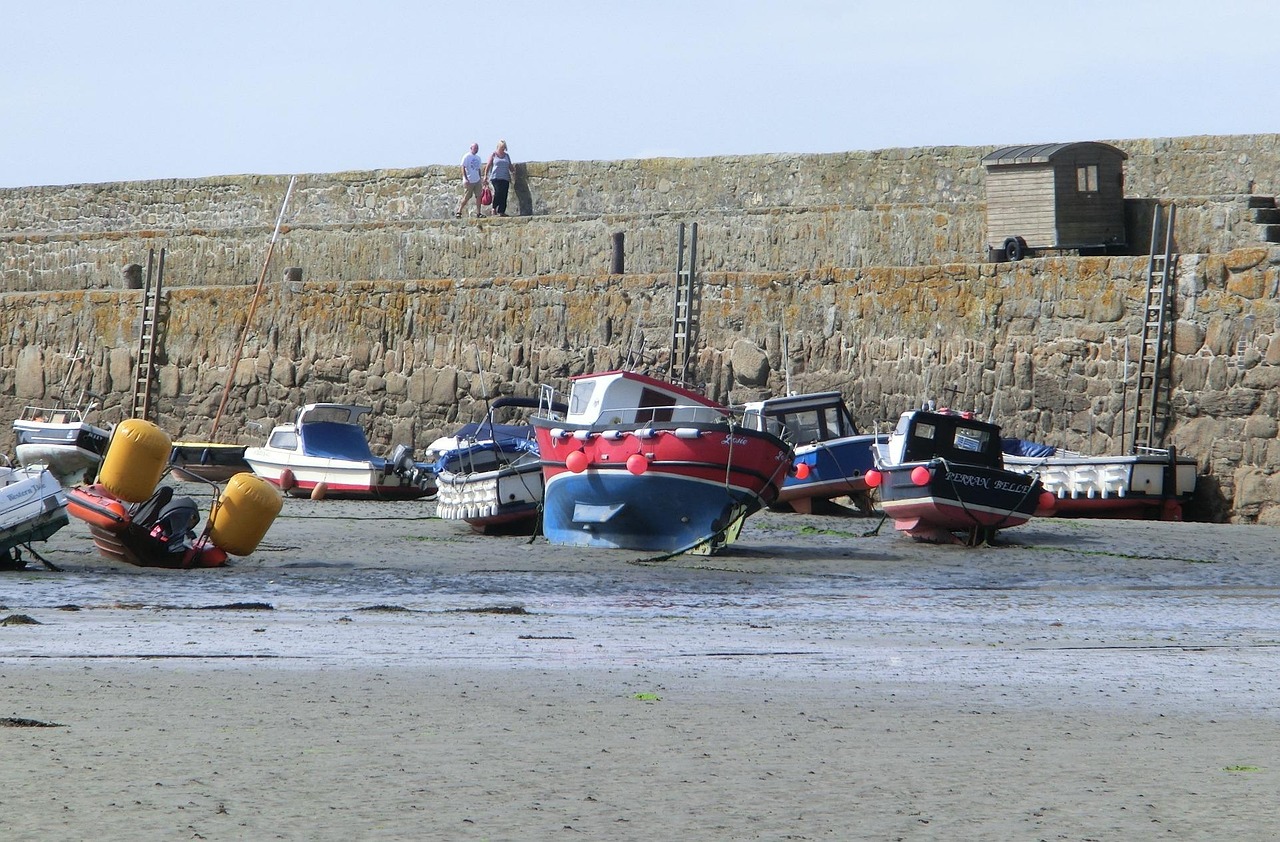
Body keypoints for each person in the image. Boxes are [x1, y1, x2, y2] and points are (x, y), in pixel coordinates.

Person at [484, 140, 514, 217]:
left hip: (505, 177)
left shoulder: (506, 156)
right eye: (501, 147)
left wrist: (514, 171)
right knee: (498, 192)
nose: (503, 149)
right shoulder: (494, 155)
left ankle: (501, 211)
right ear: (498, 147)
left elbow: (510, 166)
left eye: (504, 147)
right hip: (495, 177)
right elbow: (488, 166)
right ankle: (494, 208)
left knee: (504, 194)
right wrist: (485, 176)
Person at [456, 142, 485, 218]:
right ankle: (459, 211)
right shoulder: (467, 157)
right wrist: (465, 178)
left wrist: (480, 178)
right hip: (469, 180)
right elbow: (463, 167)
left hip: (477, 180)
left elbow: (478, 169)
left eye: (477, 148)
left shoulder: (478, 158)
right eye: (475, 148)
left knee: (479, 196)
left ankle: (479, 213)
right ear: (471, 148)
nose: (476, 149)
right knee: (467, 197)